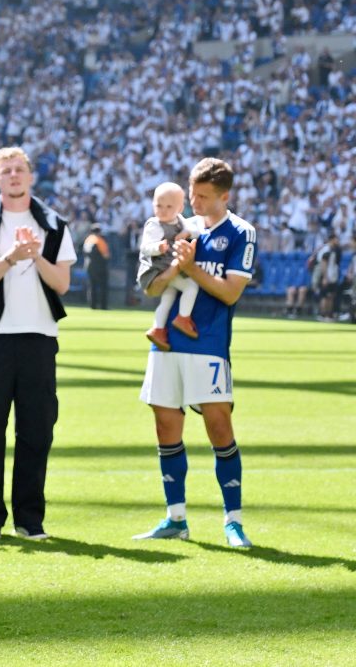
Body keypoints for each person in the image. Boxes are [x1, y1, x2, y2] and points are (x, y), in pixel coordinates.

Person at [134, 158, 258, 549]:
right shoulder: (174, 228)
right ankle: (175, 518)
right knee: (165, 427)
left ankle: (233, 521)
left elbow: (230, 292)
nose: (195, 201)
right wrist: (173, 270)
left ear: (225, 196)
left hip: (208, 344)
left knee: (219, 428)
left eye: (203, 196)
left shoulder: (240, 232)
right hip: (167, 341)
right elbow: (153, 290)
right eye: (192, 193)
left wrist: (192, 268)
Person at [0, 146, 76, 540]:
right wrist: (10, 257)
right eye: (5, 170)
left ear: (30, 176)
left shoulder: (54, 224)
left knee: (37, 431)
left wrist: (35, 256)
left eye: (19, 169)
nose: (13, 175)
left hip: (39, 339)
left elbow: (62, 283)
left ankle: (30, 520)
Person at [138, 183, 202, 350]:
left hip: (169, 269)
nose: (163, 210)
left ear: (180, 208)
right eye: (159, 206)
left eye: (169, 206)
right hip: (156, 270)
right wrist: (157, 247)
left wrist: (187, 233)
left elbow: (196, 231)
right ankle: (183, 317)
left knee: (168, 297)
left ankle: (158, 328)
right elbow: (145, 247)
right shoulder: (154, 225)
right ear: (153, 205)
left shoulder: (180, 221)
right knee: (191, 287)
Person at [82, 222, 111, 310]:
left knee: (92, 287)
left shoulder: (87, 240)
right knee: (103, 287)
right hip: (100, 267)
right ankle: (103, 306)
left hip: (89, 266)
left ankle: (92, 305)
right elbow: (106, 255)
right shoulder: (99, 240)